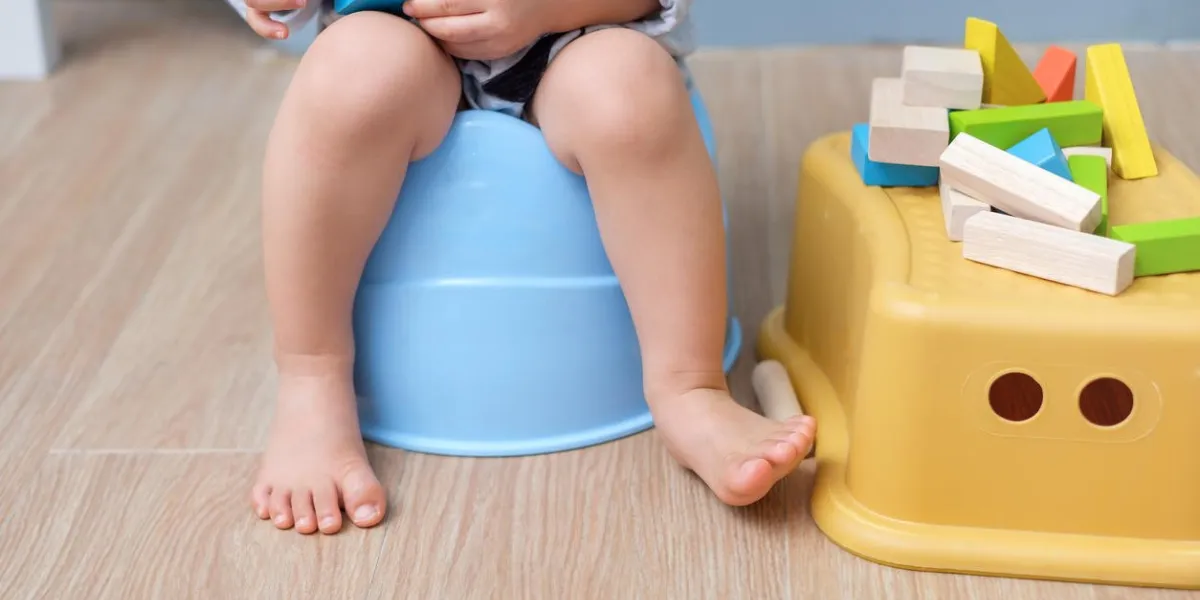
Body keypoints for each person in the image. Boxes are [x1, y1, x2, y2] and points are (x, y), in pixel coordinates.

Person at [233, 0, 817, 535]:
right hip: (391, 46)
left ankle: (689, 386)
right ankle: (312, 375)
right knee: (352, 75)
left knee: (627, 88)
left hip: (580, 35)